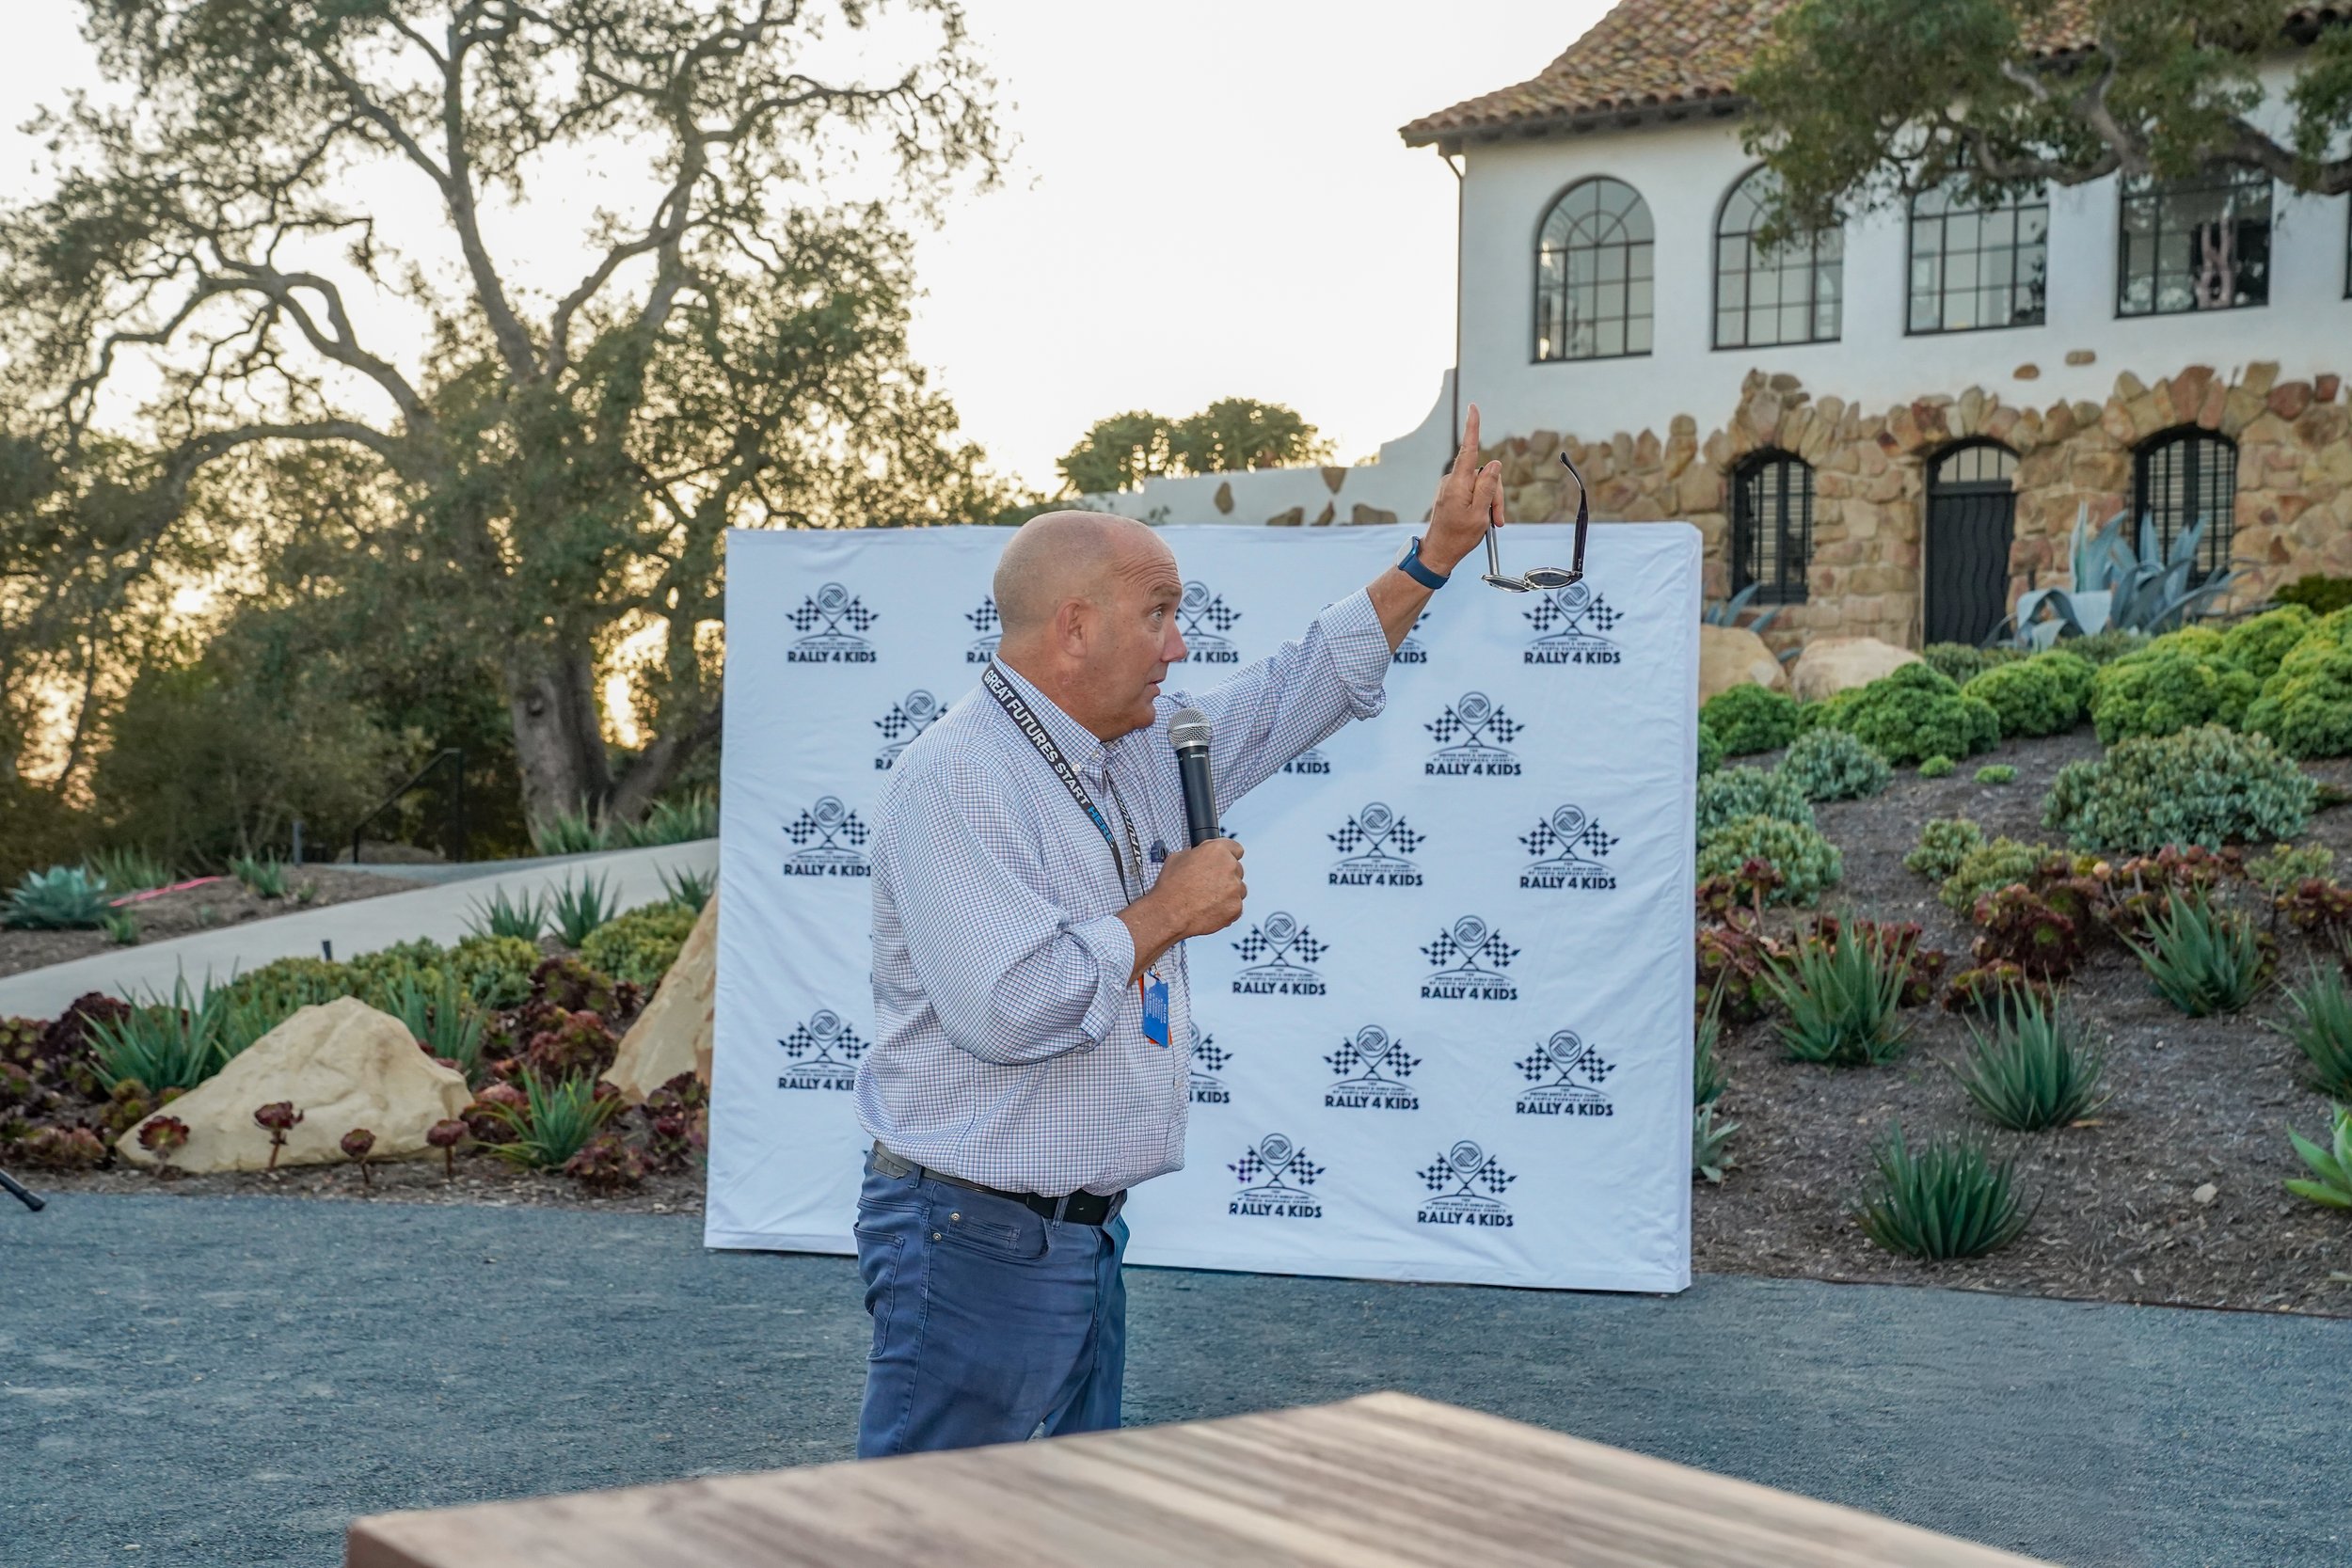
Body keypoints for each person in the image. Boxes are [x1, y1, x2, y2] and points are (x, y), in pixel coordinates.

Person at [851, 405, 1511, 1457]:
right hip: (975, 1242)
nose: (1181, 643)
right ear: (1072, 627)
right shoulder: (961, 776)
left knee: (1056, 1530)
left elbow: (1298, 685)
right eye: (1158, 613)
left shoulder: (1138, 747)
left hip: (1070, 1236)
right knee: (928, 1534)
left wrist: (1431, 558)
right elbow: (1005, 1008)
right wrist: (1169, 910)